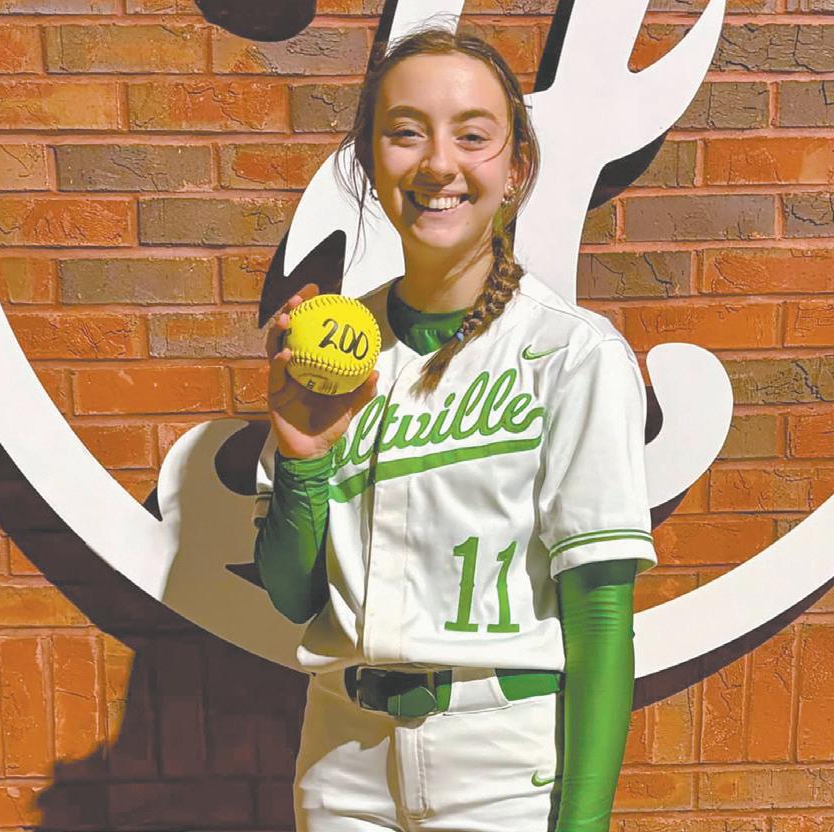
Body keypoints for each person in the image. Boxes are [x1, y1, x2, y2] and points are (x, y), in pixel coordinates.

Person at [253, 26, 656, 832]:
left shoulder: (571, 354)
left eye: (472, 136)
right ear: (370, 164)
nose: (439, 163)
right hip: (341, 755)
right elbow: (292, 596)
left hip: (500, 762)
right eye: (406, 133)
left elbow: (602, 618)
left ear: (517, 169)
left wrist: (583, 826)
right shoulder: (341, 350)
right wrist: (302, 456)